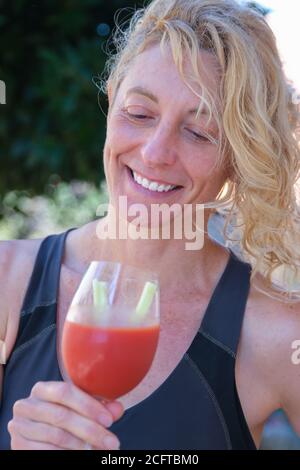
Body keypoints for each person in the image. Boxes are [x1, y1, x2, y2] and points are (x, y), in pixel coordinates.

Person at [0, 0, 300, 450]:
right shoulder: (7, 281)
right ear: (111, 103)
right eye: (139, 114)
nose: (156, 153)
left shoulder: (276, 331)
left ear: (238, 158)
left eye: (199, 132)